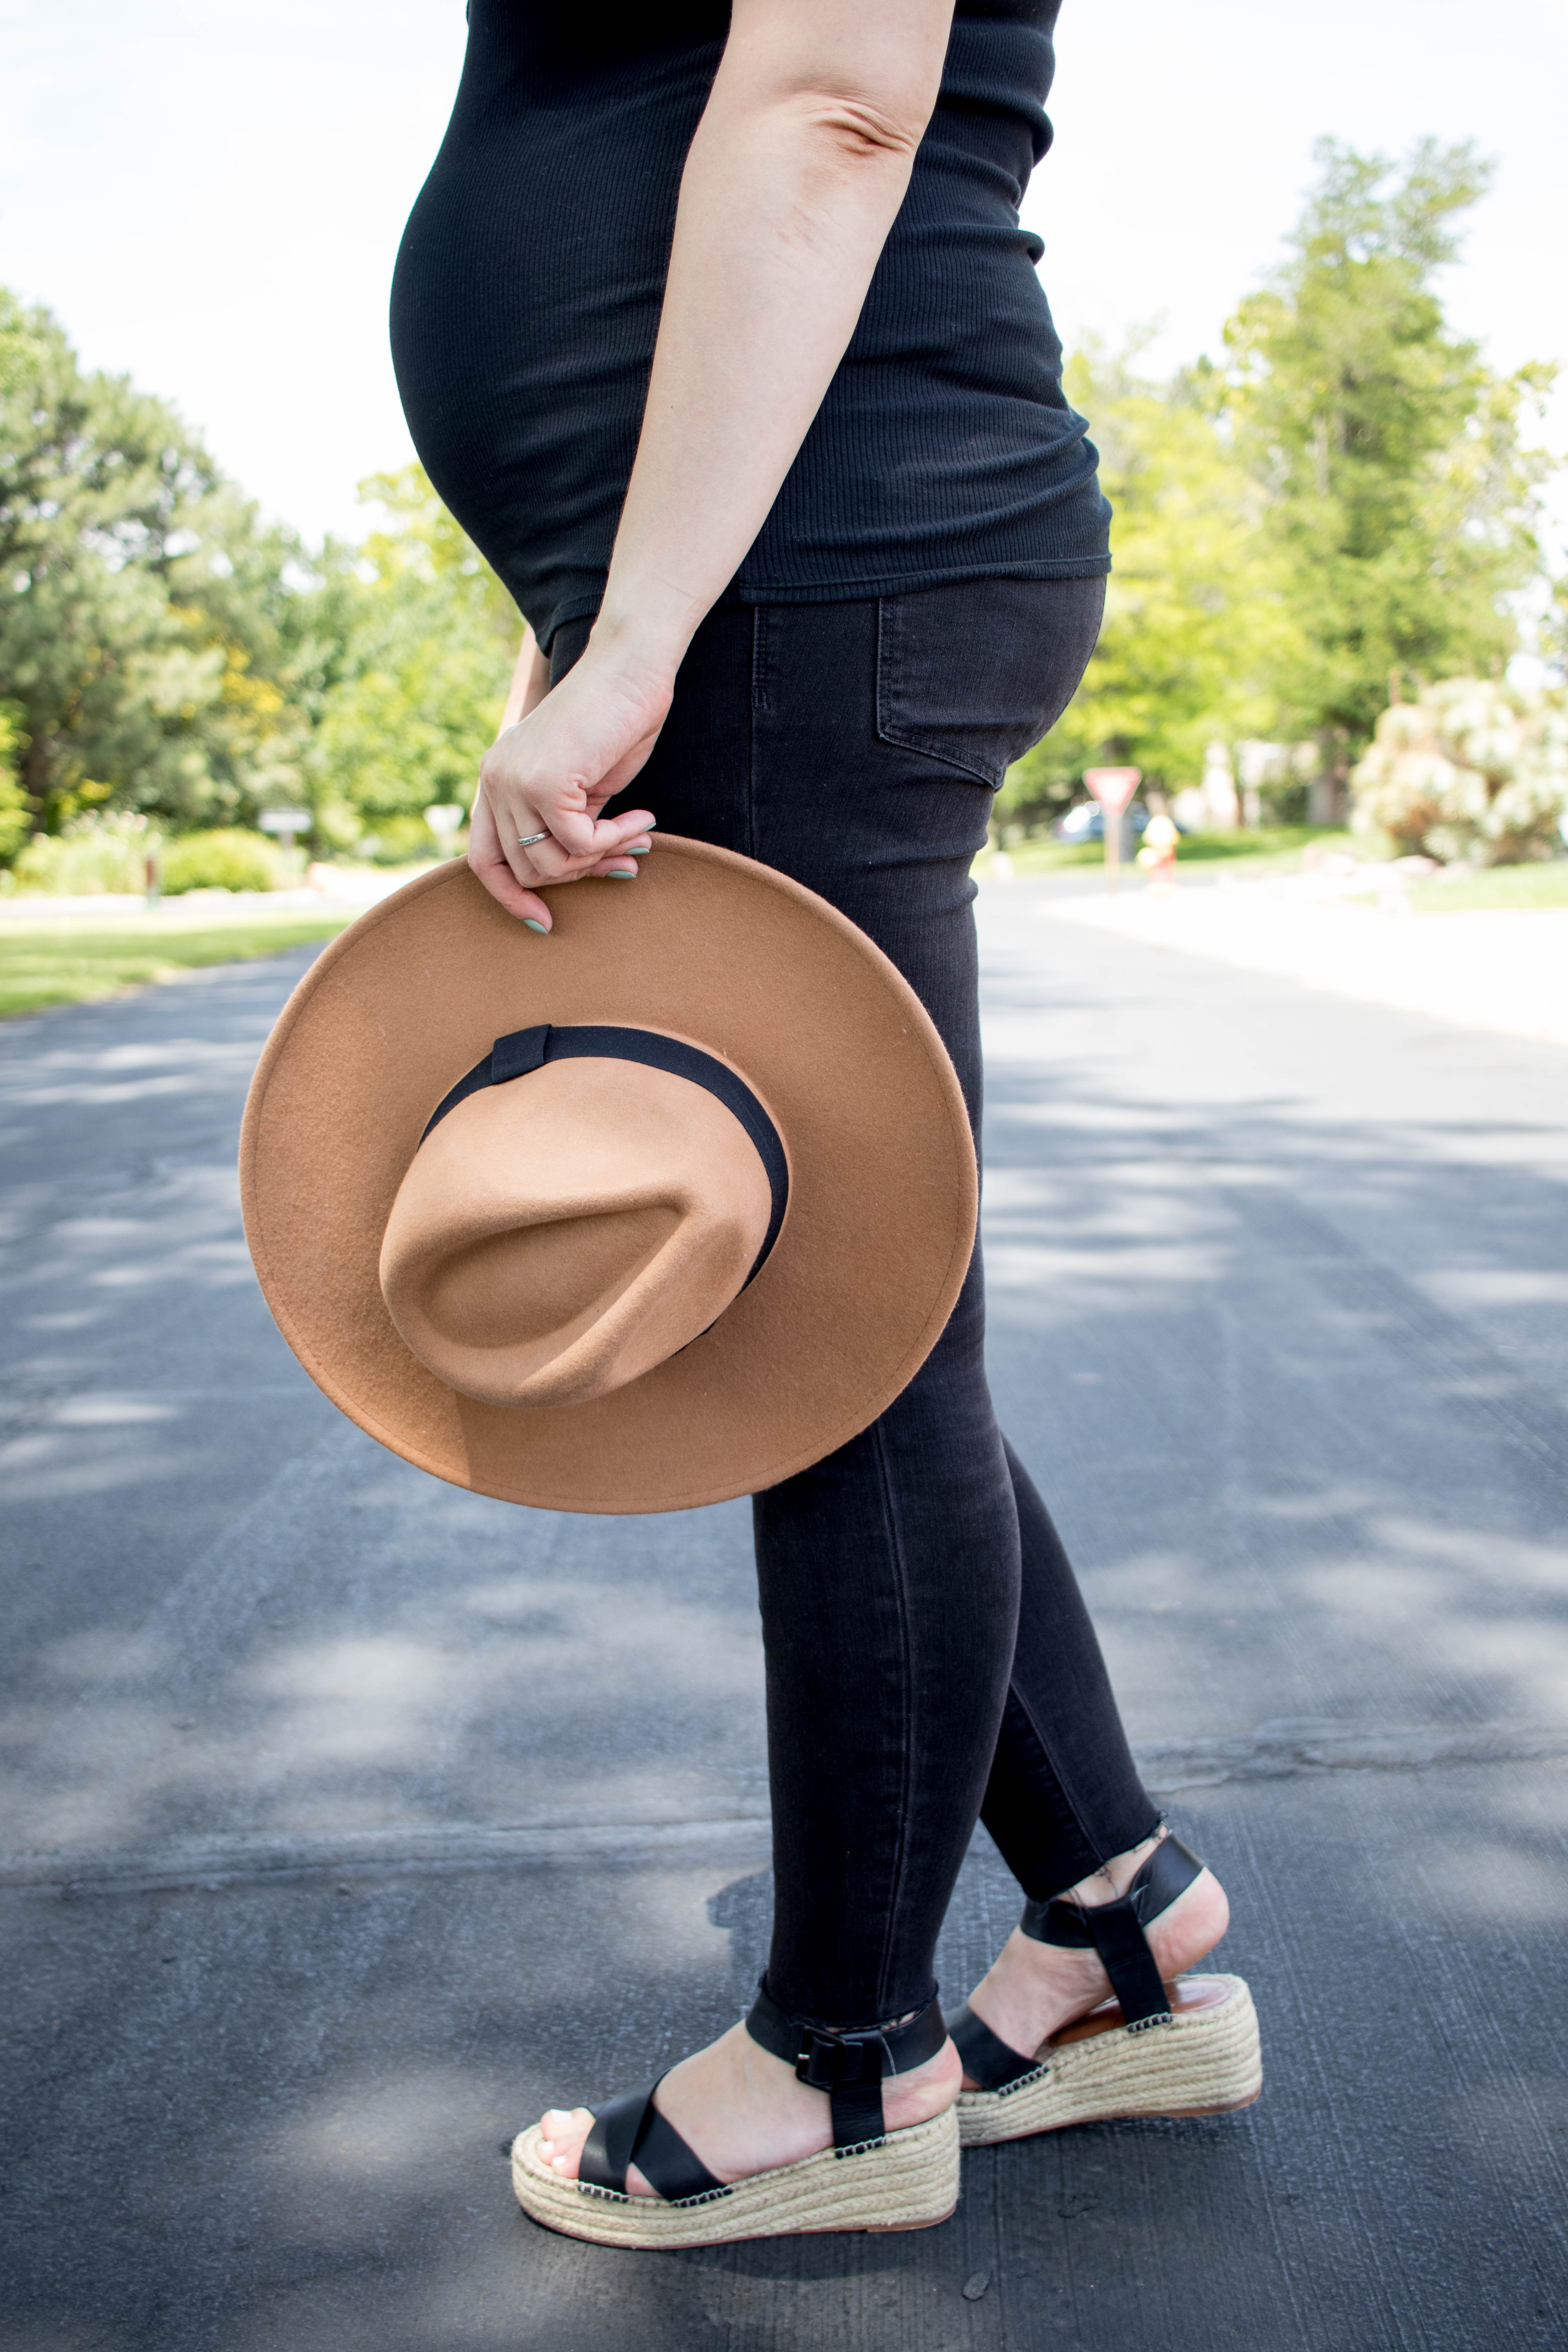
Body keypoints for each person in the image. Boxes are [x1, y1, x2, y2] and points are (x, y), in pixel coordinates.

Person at [390, 0, 1244, 2238]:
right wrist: (578, 626)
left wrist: (648, 620)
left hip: (812, 572)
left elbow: (837, 103)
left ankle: (843, 2073)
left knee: (840, 1355)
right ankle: (1121, 1927)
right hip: (762, 577)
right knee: (875, 1329)